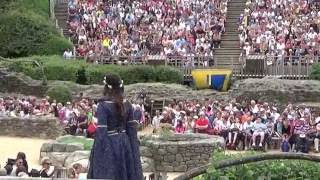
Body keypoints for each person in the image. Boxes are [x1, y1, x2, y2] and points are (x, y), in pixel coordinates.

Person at [87, 74, 143, 180]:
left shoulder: (103, 105)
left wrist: (98, 154)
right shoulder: (127, 104)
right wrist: (133, 151)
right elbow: (132, 131)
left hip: (110, 144)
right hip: (125, 143)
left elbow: (102, 132)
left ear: (107, 87)